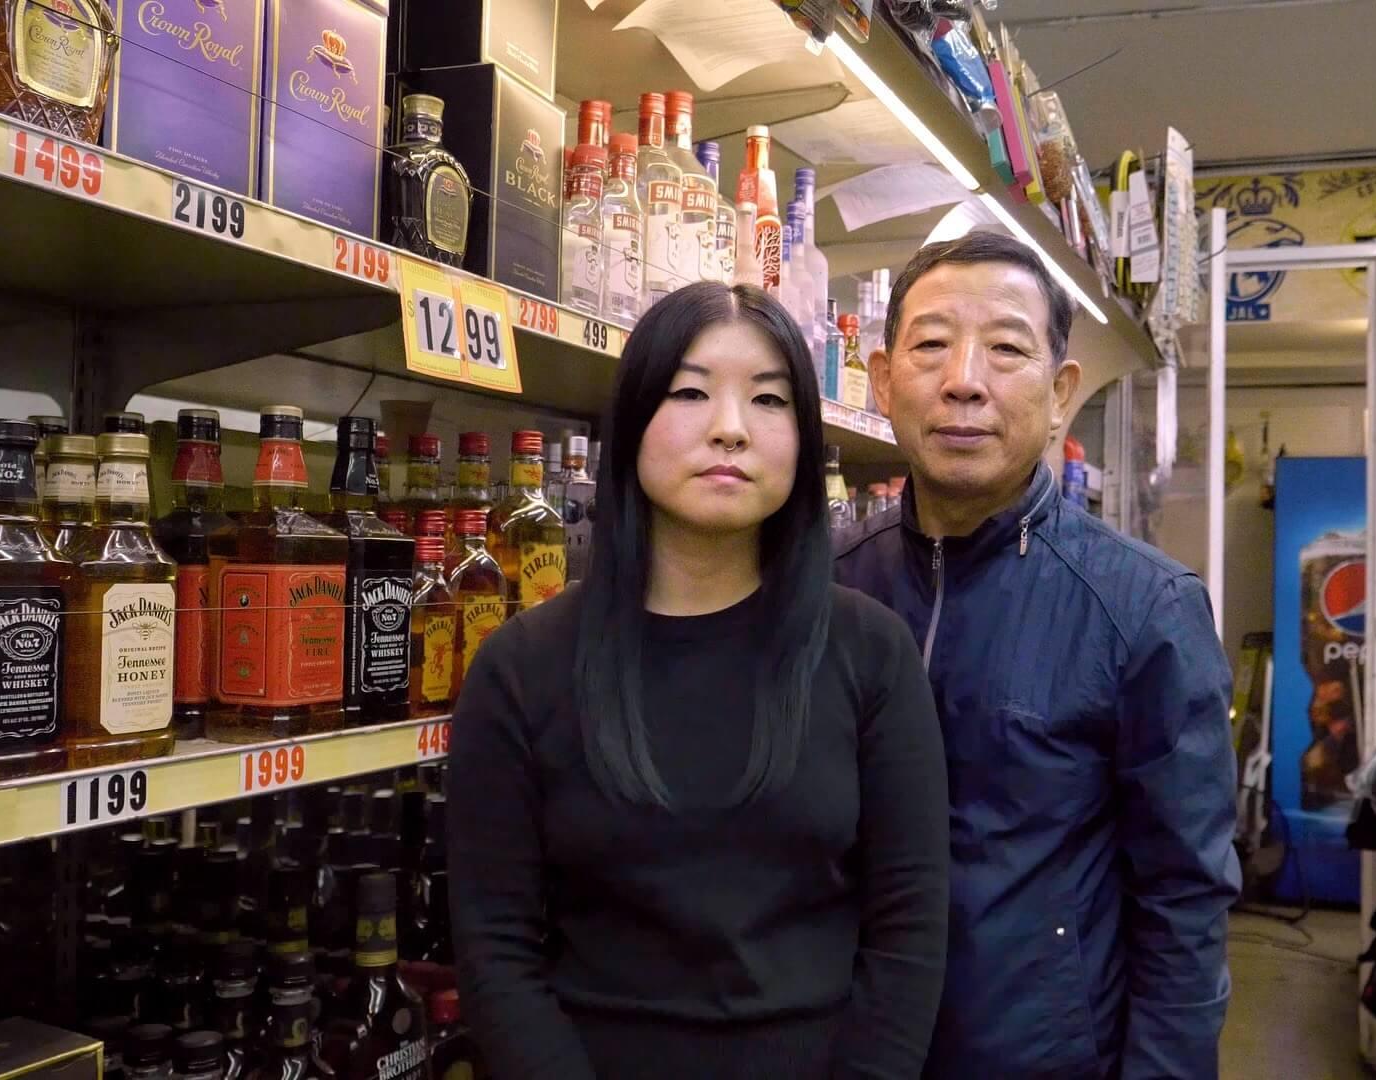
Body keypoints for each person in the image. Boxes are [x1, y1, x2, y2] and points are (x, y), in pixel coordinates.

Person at [447, 281, 950, 1080]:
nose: (729, 428)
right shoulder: (521, 669)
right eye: (689, 391)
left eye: (769, 399)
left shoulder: (871, 655)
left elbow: (909, 930)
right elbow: (494, 948)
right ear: (632, 423)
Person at [835, 231, 1241, 1079]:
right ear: (882, 378)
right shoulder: (826, 588)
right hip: (845, 1052)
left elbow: (1184, 902)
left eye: (1006, 348)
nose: (964, 380)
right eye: (932, 345)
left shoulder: (1144, 611)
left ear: (1060, 395)